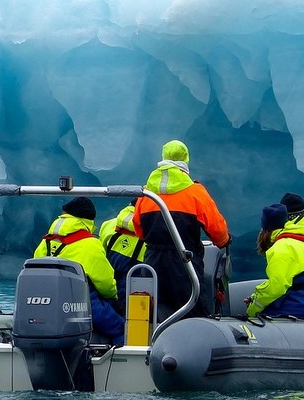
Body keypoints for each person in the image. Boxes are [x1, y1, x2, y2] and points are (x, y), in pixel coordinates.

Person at [133, 139, 230, 319]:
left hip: (152, 260)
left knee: (153, 311)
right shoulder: (195, 192)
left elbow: (139, 230)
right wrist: (224, 241)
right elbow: (217, 230)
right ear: (185, 162)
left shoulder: (146, 194)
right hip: (184, 262)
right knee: (193, 309)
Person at [33, 196, 125, 346]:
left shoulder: (46, 241)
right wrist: (114, 298)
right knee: (119, 327)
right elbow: (106, 283)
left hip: (46, 300)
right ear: (89, 220)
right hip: (81, 301)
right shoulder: (90, 244)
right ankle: (121, 361)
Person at [245, 203, 304, 318]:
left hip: (300, 305)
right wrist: (254, 296)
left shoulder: (281, 248)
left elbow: (277, 287)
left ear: (266, 229)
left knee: (258, 317)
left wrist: (252, 310)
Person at [97, 201, 146, 311]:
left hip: (109, 294)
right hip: (140, 296)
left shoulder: (107, 225)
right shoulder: (154, 230)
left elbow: (101, 259)